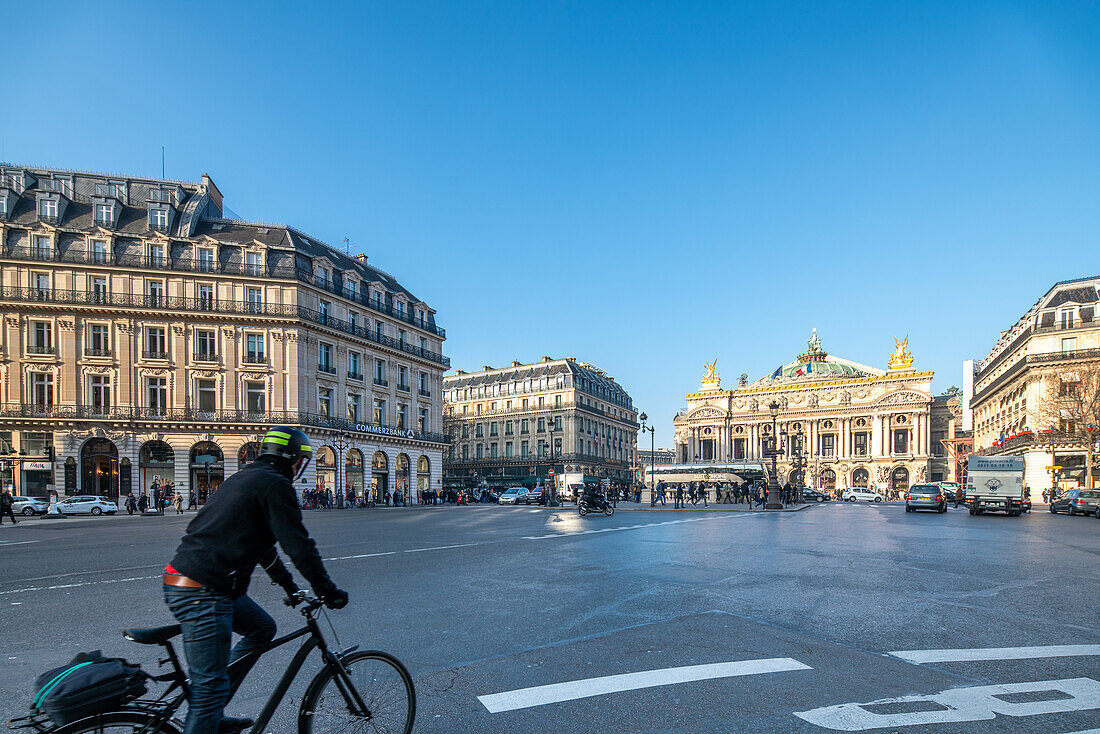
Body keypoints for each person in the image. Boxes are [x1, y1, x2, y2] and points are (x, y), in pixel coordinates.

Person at [164, 426, 347, 734]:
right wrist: (326, 590)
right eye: (301, 460)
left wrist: (290, 587)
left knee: (262, 629)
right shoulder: (275, 485)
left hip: (191, 581)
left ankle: (214, 716)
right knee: (208, 691)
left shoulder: (243, 478)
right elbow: (299, 546)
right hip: (204, 589)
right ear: (292, 459)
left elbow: (264, 548)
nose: (300, 467)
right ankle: (210, 711)